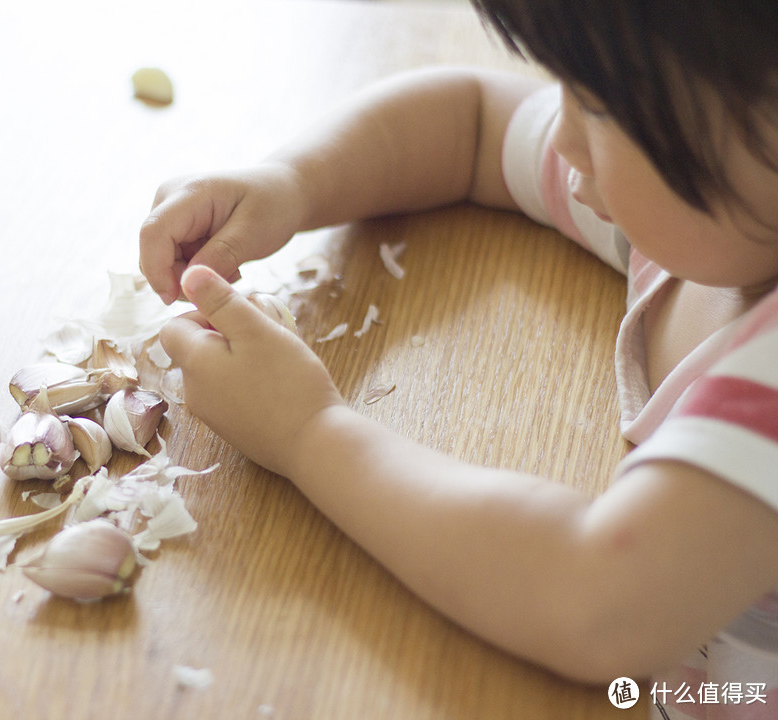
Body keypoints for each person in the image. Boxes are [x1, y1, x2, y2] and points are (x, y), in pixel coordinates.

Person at [138, 1, 778, 716]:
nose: (562, 134)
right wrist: (292, 181)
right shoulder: (711, 221)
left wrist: (306, 431)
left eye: (599, 105)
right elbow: (475, 123)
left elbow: (596, 601)